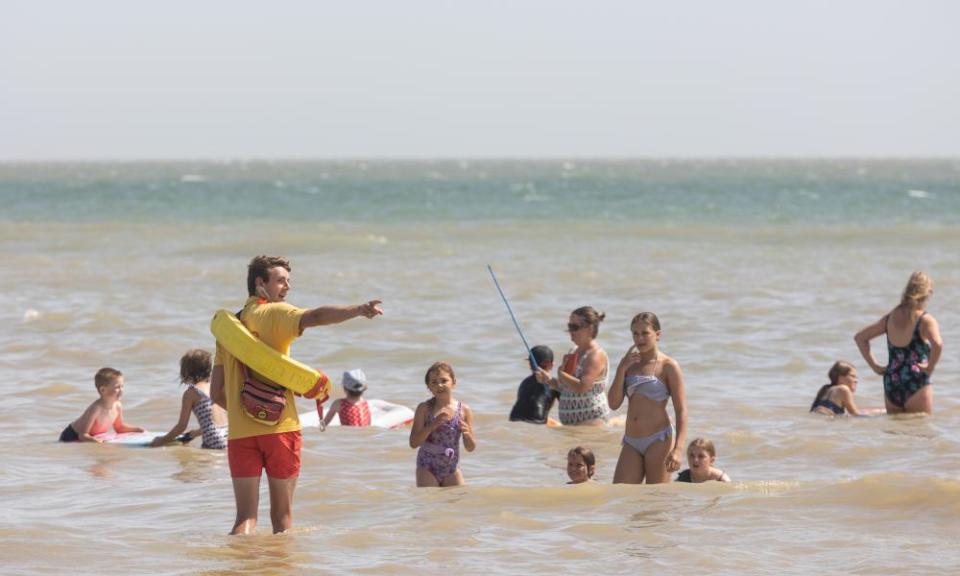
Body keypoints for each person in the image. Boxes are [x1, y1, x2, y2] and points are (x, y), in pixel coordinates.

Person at [211, 255, 382, 535]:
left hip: (240, 433)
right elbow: (315, 316)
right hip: (281, 429)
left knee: (244, 519)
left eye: (289, 281)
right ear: (260, 283)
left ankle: (238, 566)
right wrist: (359, 310)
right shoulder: (275, 313)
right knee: (283, 520)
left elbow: (217, 392)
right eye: (280, 281)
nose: (287, 287)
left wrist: (248, 413)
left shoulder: (228, 329)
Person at [607, 312, 688, 484]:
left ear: (657, 335)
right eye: (635, 334)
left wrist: (679, 449)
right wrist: (621, 368)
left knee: (656, 499)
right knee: (621, 496)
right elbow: (613, 404)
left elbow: (681, 411)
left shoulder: (668, 366)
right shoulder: (629, 365)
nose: (639, 338)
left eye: (645, 333)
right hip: (631, 441)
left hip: (658, 439)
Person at [854, 271, 943, 414]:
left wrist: (875, 366)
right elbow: (938, 344)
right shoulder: (925, 320)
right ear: (927, 294)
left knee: (895, 431)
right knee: (921, 433)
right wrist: (930, 366)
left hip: (892, 382)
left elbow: (860, 338)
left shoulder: (890, 318)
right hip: (916, 380)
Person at [535, 306, 610, 426]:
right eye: (569, 327)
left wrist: (561, 373)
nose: (570, 331)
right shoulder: (573, 351)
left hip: (591, 420)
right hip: (572, 426)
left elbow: (582, 387)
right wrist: (548, 380)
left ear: (590, 329)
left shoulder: (595, 355)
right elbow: (565, 387)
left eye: (574, 327)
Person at [409, 362, 476, 487]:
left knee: (457, 501)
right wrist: (431, 426)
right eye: (434, 382)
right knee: (431, 503)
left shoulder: (464, 410)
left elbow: (470, 448)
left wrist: (467, 435)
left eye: (444, 380)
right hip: (427, 466)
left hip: (452, 468)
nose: (439, 385)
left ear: (454, 382)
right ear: (428, 387)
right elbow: (413, 443)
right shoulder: (424, 408)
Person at [150, 349, 229, 449]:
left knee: (186, 463)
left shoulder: (191, 393)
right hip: (229, 437)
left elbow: (181, 426)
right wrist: (195, 433)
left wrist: (162, 440)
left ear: (186, 371)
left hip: (214, 440)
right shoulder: (215, 389)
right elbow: (217, 424)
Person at [59, 367, 145, 442]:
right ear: (103, 390)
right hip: (71, 436)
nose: (121, 390)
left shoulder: (117, 406)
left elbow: (119, 428)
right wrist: (97, 443)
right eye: (117, 387)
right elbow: (83, 435)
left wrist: (137, 430)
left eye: (122, 386)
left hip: (90, 437)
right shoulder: (96, 408)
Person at [809, 361, 885, 417]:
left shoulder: (825, 388)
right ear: (841, 378)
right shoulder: (843, 389)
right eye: (852, 376)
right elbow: (856, 414)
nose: (856, 380)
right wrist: (879, 415)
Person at [509, 345, 560, 424]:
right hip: (536, 423)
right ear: (551, 365)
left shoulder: (524, 383)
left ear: (530, 365)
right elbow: (567, 406)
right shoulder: (554, 385)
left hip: (514, 419)